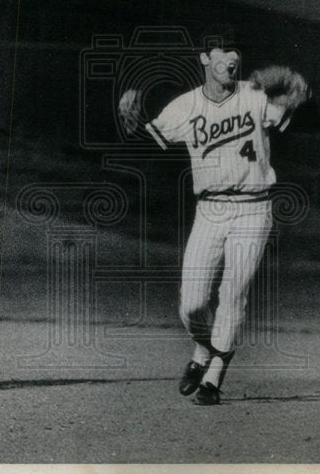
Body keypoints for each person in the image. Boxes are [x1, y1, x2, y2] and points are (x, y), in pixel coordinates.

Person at [119, 43, 309, 405]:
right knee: (190, 305)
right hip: (209, 210)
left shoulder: (254, 95)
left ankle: (214, 377)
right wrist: (132, 122)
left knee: (232, 294)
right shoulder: (185, 105)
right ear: (205, 59)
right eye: (222, 53)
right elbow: (150, 138)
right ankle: (203, 352)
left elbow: (295, 117)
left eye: (235, 54)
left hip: (254, 208)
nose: (231, 60)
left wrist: (299, 92)